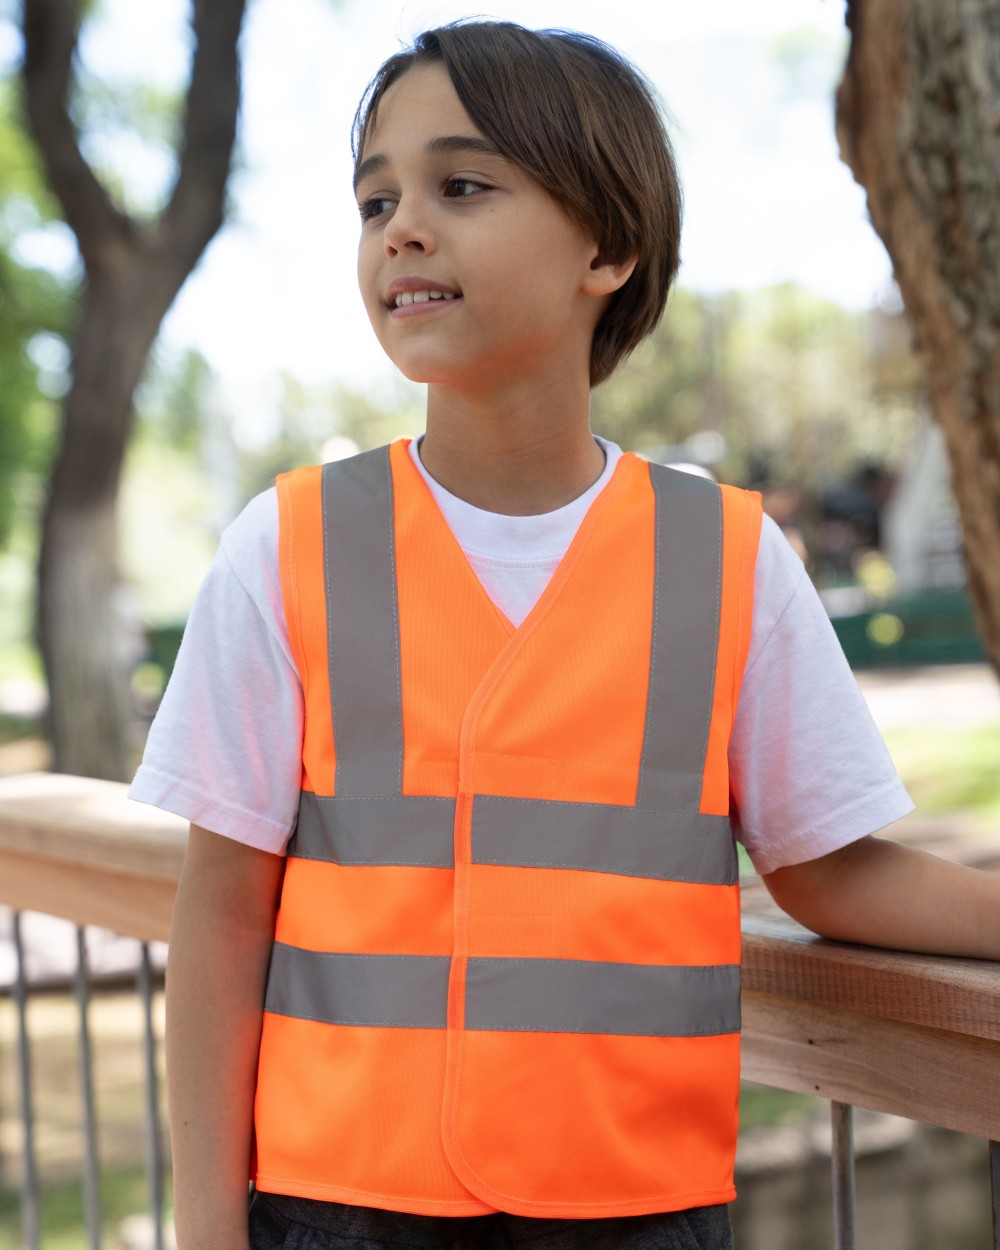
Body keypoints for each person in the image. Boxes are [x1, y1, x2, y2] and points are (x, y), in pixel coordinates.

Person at [128, 21, 1000, 1250]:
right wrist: (209, 1231)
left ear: (610, 246)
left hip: (635, 1208)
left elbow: (829, 867)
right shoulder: (284, 547)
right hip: (336, 1209)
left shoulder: (731, 558)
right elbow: (222, 912)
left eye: (462, 185)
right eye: (375, 196)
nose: (402, 227)